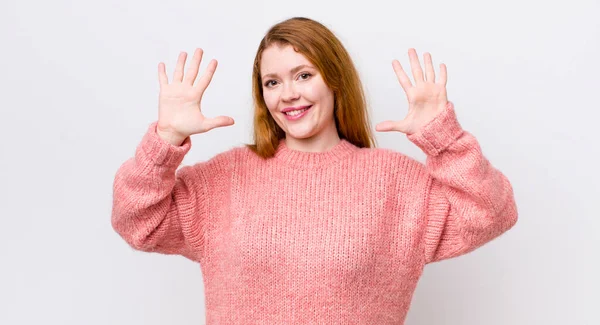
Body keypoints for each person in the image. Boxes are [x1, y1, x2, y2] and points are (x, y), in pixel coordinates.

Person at [111, 17, 518, 324]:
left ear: (335, 80)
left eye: (303, 75)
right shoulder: (225, 179)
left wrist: (442, 137)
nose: (288, 93)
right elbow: (136, 222)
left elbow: (492, 213)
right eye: (272, 82)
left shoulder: (395, 183)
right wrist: (164, 140)